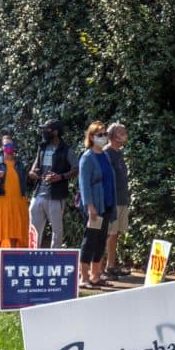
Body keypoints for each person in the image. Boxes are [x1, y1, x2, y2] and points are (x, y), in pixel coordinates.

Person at [27, 119, 78, 249]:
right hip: (38, 194)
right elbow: (33, 169)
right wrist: (33, 173)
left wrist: (60, 177)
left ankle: (55, 258)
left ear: (55, 132)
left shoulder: (66, 150)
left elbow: (76, 169)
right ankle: (34, 257)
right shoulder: (42, 147)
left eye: (46, 129)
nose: (43, 132)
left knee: (57, 230)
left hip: (56, 196)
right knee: (34, 229)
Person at [78, 121, 116, 289]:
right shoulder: (87, 157)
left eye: (105, 134)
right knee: (90, 240)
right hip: (95, 206)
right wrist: (90, 206)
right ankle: (84, 277)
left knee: (101, 241)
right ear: (92, 137)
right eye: (100, 134)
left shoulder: (105, 155)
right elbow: (84, 184)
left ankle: (95, 276)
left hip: (107, 204)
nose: (104, 137)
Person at [0, 135, 31, 266]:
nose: (8, 147)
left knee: (14, 228)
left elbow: (24, 181)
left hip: (17, 200)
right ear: (2, 147)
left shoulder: (20, 163)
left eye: (10, 145)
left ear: (14, 147)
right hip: (0, 200)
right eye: (5, 145)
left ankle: (13, 255)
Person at [104, 123, 131, 277]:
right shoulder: (107, 153)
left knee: (117, 233)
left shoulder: (119, 153)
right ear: (114, 135)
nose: (125, 134)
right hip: (113, 200)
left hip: (122, 199)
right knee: (110, 233)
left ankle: (111, 265)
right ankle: (102, 268)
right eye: (122, 132)